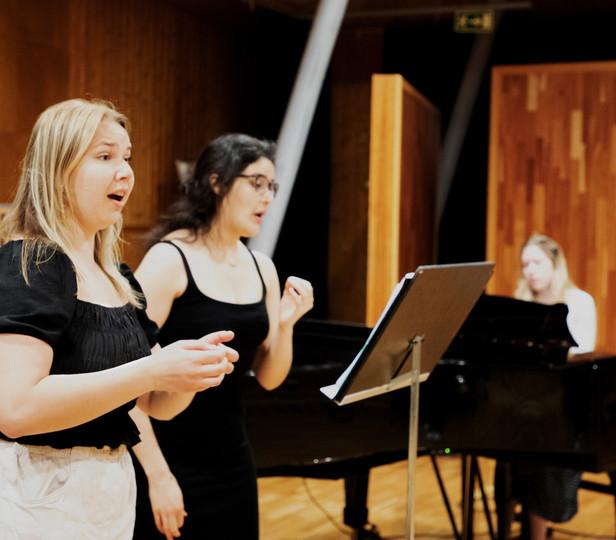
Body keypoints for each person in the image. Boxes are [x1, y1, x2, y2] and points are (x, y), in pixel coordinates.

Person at [0, 99, 239, 539]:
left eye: (127, 158)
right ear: (58, 168)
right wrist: (150, 370)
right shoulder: (31, 263)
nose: (125, 172)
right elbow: (15, 409)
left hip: (109, 493)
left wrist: (188, 375)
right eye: (105, 156)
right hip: (37, 495)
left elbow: (155, 406)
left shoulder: (117, 275)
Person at [131, 133, 314, 539]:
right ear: (216, 182)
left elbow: (269, 377)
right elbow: (125, 381)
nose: (268, 198)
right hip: (166, 461)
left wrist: (285, 324)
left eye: (272, 187)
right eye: (256, 183)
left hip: (233, 460)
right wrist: (158, 477)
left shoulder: (261, 266)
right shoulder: (169, 259)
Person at [513, 233, 597, 539]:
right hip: (531, 402)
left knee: (540, 442)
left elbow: (582, 354)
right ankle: (532, 530)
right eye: (525, 265)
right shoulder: (522, 304)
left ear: (555, 262)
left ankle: (541, 524)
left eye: (537, 262)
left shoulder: (578, 301)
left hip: (569, 401)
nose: (530, 270)